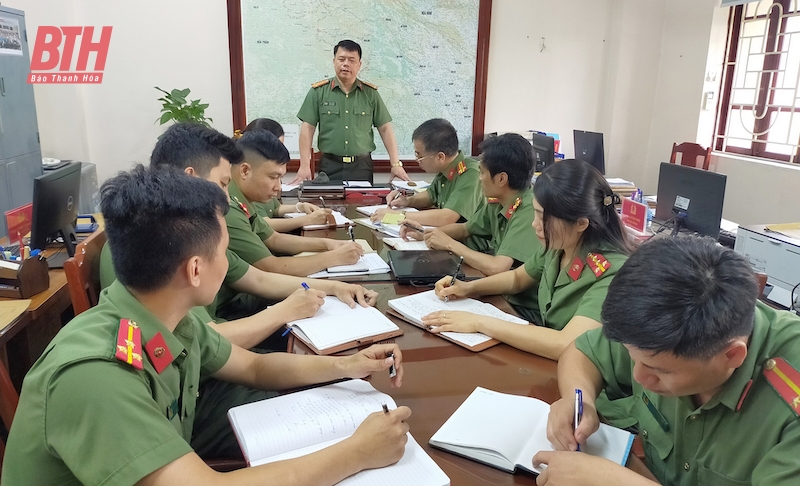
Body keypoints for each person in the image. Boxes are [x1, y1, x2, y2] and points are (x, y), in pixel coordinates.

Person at [1, 166, 410, 486]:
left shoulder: (164, 317)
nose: (230, 264)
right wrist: (357, 452)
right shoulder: (96, 374)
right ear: (195, 269)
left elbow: (253, 367)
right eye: (224, 251)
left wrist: (348, 366)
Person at [537, 237, 800, 486]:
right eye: (632, 357)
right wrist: (579, 399)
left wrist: (611, 481)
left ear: (731, 356)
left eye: (659, 370)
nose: (638, 376)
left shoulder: (789, 396)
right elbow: (583, 352)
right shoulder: (659, 332)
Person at [102, 122, 378, 344]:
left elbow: (256, 278)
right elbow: (207, 344)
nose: (226, 197)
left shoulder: (191, 226)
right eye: (223, 183)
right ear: (191, 176)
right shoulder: (158, 238)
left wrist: (335, 288)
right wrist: (286, 311)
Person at [427, 159, 632, 360]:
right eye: (535, 213)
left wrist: (479, 323)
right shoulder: (559, 245)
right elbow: (517, 278)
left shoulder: (612, 273)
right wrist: (468, 288)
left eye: (544, 218)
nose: (535, 225)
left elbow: (566, 344)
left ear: (580, 223)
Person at [228, 128, 364, 276]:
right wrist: (334, 257)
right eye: (273, 177)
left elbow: (274, 238)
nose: (278, 187)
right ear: (245, 171)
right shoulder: (229, 208)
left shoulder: (242, 199)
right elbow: (271, 267)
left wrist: (328, 244)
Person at [402, 133, 540, 276]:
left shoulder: (529, 210)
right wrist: (427, 234)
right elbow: (465, 229)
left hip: (519, 296)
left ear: (501, 179)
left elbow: (497, 267)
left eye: (482, 173)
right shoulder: (499, 202)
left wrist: (450, 244)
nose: (479, 179)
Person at [294, 39, 410, 184]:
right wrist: (304, 166)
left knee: (362, 205)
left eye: (351, 60)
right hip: (329, 165)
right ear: (334, 61)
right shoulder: (318, 92)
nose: (346, 64)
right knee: (328, 205)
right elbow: (307, 128)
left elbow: (385, 128)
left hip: (361, 166)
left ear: (359, 64)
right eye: (341, 59)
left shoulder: (370, 94)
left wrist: (396, 164)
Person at [370, 118, 483, 229]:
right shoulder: (446, 168)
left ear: (440, 157)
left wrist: (396, 216)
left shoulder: (470, 174)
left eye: (419, 156)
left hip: (473, 244)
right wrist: (406, 201)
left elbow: (447, 217)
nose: (417, 160)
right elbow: (431, 195)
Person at [242, 118, 334, 233]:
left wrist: (300, 207)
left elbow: (275, 208)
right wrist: (307, 220)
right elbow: (264, 224)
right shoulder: (253, 180)